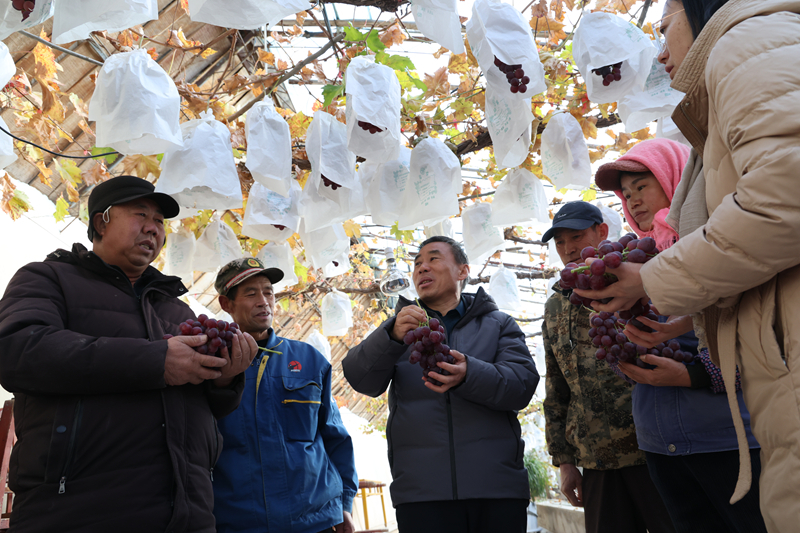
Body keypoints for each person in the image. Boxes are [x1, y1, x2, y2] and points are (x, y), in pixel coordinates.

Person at [574, 1, 800, 530]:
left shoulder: (747, 45)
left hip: (729, 436)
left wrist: (661, 292)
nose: (658, 49)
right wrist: (685, 317)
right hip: (674, 441)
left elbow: (784, 197)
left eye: (663, 24)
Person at [0, 175, 257, 533]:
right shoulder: (47, 279)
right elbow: (18, 350)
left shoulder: (177, 311)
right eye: (141, 215)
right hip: (76, 515)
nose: (152, 229)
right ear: (101, 222)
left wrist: (225, 377)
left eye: (159, 222)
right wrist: (157, 362)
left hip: (188, 515)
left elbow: (203, 404)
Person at [594, 138, 767, 533]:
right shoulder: (632, 265)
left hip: (729, 439)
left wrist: (693, 375)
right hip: (660, 443)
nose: (633, 200)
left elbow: (762, 342)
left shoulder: (717, 248)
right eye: (627, 193)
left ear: (675, 179)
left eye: (643, 186)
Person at [342, 236, 538, 533]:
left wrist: (470, 373)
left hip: (496, 489)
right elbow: (361, 378)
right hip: (422, 494)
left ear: (462, 271)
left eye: (433, 259)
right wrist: (389, 336)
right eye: (417, 263)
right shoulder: (401, 331)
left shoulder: (499, 324)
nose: (422, 268)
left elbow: (521, 385)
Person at [541, 201, 675, 533]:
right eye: (560, 242)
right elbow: (557, 387)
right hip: (596, 459)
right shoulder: (557, 304)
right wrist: (565, 460)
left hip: (654, 450)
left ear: (602, 232)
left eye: (576, 236)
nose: (568, 248)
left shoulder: (640, 278)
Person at [212, 257, 358, 533]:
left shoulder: (309, 360)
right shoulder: (213, 363)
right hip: (238, 522)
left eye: (268, 291)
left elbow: (335, 437)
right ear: (226, 304)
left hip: (315, 520)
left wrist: (345, 503)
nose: (263, 301)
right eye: (251, 293)